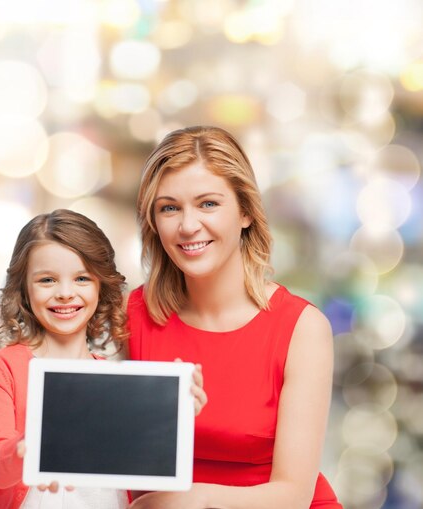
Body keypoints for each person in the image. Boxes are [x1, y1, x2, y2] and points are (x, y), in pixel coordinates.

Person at [127, 126, 343, 508]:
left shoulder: (302, 329)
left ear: (245, 211)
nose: (188, 225)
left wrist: (188, 500)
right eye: (169, 208)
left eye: (208, 203)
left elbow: (293, 494)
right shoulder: (131, 318)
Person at [0, 209, 131, 509]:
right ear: (24, 288)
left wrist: (172, 407)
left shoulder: (117, 381)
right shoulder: (0, 369)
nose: (65, 293)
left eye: (81, 278)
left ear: (101, 285)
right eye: (47, 280)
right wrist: (25, 448)